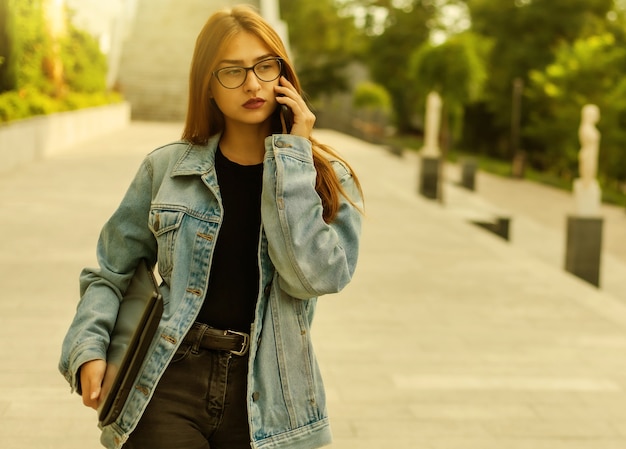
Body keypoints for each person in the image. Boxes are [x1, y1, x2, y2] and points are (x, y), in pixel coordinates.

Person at [58, 5, 363, 449]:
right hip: (168, 376)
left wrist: (293, 159)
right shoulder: (166, 168)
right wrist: (88, 349)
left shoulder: (325, 176)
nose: (253, 83)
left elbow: (314, 276)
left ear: (283, 73)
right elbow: (111, 272)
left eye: (264, 66)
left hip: (271, 394)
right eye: (232, 71)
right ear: (207, 86)